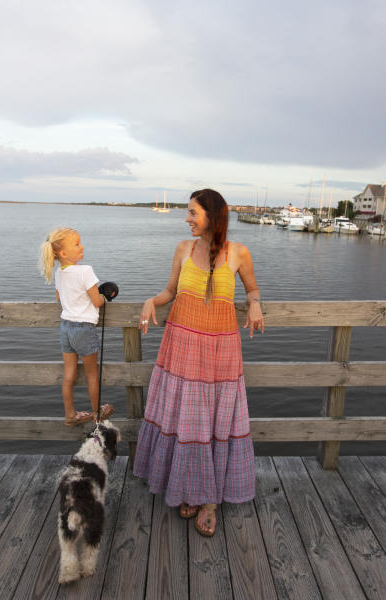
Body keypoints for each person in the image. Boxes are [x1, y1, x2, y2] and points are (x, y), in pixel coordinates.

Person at [132, 189, 265, 537]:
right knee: (188, 420)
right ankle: (190, 488)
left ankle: (209, 500)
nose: (187, 218)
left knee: (216, 421)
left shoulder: (238, 253)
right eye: (188, 212)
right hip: (182, 347)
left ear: (212, 216)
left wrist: (254, 304)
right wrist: (151, 301)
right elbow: (170, 292)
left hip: (221, 351)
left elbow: (251, 289)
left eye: (193, 212)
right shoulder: (183, 249)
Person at [38, 227, 114, 426]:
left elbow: (59, 298)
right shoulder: (85, 271)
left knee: (69, 375)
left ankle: (70, 415)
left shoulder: (59, 273)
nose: (82, 246)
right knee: (91, 375)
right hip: (84, 329)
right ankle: (97, 413)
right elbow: (97, 302)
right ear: (63, 253)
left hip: (66, 328)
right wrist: (106, 296)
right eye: (77, 244)